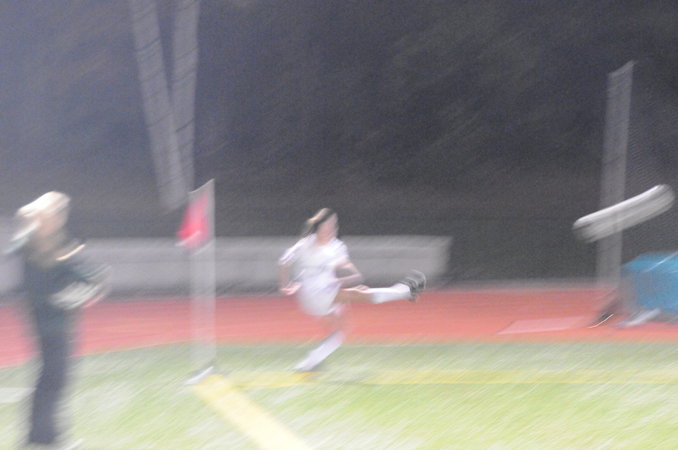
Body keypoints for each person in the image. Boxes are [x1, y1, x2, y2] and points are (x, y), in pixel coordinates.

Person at [5, 192, 108, 449]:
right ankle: (44, 440)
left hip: (57, 323)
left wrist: (89, 284)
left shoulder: (55, 243)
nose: (60, 218)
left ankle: (41, 438)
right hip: (49, 325)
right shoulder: (31, 244)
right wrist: (70, 295)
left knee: (51, 381)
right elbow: (42, 289)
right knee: (52, 381)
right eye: (57, 213)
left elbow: (77, 270)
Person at [278, 208, 426, 372]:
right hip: (312, 293)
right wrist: (286, 284)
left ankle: (311, 362)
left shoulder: (336, 246)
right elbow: (284, 261)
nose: (332, 229)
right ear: (318, 226)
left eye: (334, 225)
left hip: (322, 292)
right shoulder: (306, 243)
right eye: (328, 225)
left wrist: (351, 277)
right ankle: (406, 290)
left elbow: (345, 266)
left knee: (341, 330)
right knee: (359, 295)